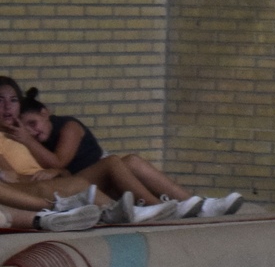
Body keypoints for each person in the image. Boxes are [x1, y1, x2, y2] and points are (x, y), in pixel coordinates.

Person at [12, 85, 243, 219]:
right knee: (115, 161)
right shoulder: (28, 141)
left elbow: (60, 161)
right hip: (88, 183)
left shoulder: (68, 126)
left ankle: (195, 203)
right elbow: (58, 166)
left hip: (97, 178)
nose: (32, 132)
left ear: (45, 113)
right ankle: (160, 206)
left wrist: (29, 142)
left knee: (131, 161)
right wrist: (29, 142)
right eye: (26, 129)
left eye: (33, 123)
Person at [0, 76, 176, 224]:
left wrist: (56, 171)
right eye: (0, 100)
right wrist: (44, 174)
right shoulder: (17, 138)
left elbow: (59, 167)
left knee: (121, 162)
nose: (7, 106)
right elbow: (9, 179)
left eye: (13, 100)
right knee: (83, 182)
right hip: (30, 190)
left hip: (59, 180)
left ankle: (164, 205)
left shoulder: (23, 133)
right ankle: (137, 210)